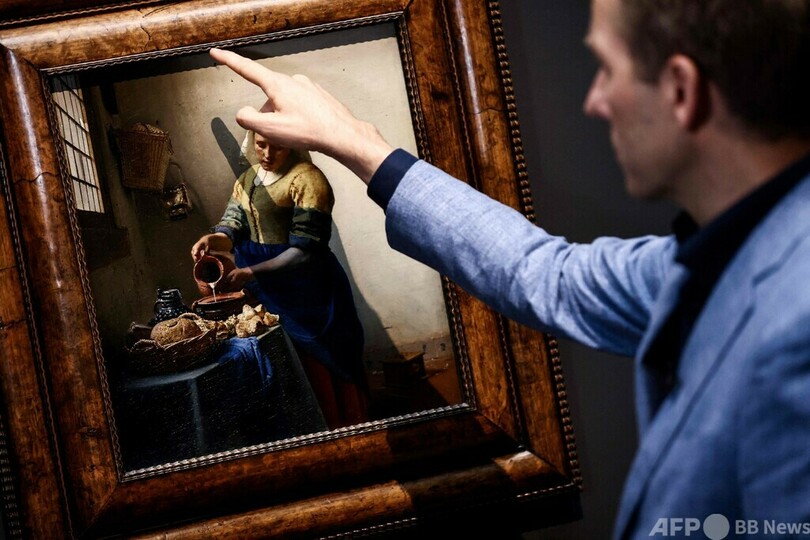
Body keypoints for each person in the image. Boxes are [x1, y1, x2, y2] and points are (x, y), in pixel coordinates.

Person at [207, 0, 810, 537]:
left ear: (681, 89)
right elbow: (543, 274)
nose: (595, 101)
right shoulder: (724, 256)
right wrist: (361, 144)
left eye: (608, 68)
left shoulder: (796, 334)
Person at [191, 131, 368, 430]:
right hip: (266, 291)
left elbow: (305, 251)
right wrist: (211, 240)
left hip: (309, 290)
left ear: (292, 145)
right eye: (261, 145)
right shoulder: (247, 180)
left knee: (325, 365)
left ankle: (343, 431)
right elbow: (232, 228)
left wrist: (251, 272)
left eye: (278, 147)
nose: (267, 154)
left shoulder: (308, 179)